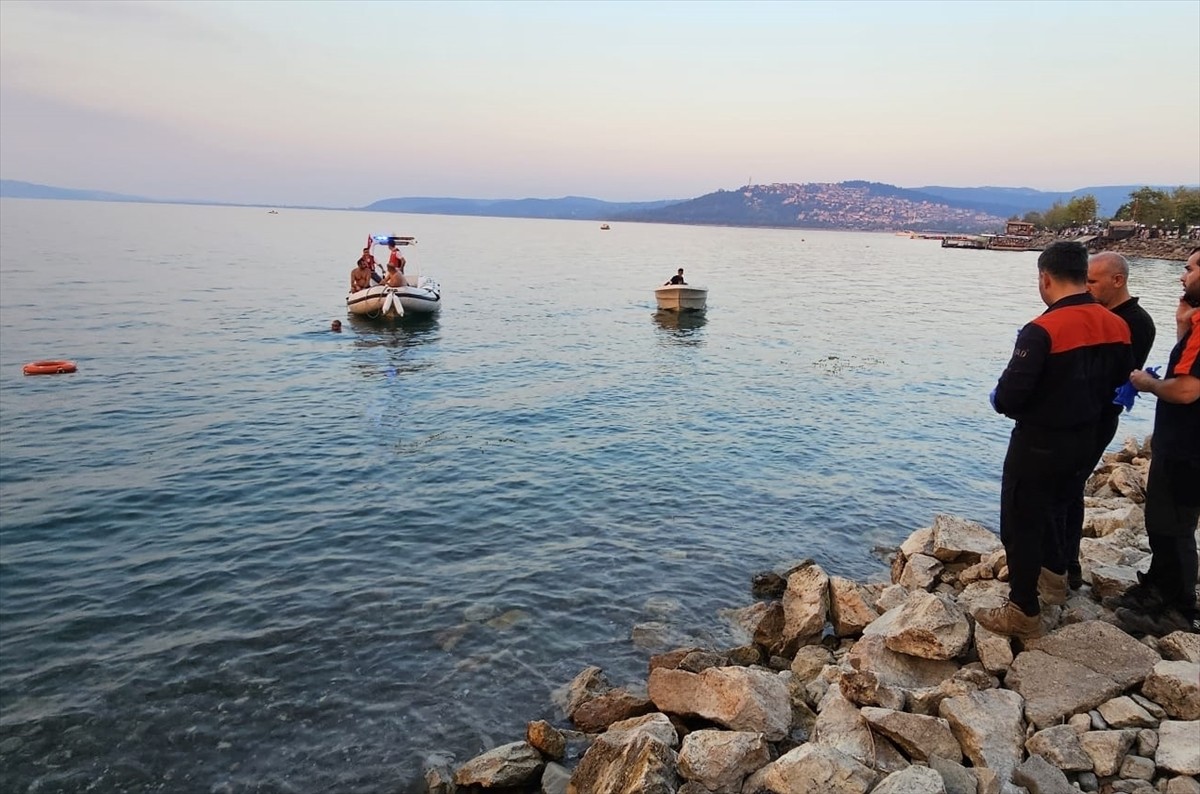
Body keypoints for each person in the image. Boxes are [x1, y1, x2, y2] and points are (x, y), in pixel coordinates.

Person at [975, 241, 1133, 638]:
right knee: (1060, 507)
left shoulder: (1042, 330)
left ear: (1045, 278)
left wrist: (999, 397)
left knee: (1021, 519)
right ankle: (1056, 579)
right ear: (1083, 276)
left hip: (1040, 441)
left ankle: (1023, 610)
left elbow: (1010, 396)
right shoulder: (1118, 325)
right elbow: (1118, 382)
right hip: (1087, 438)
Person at [1111, 247, 1200, 635]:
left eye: (1190, 268)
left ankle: (1177, 607)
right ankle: (1160, 589)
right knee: (1165, 519)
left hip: (1188, 444)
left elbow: (1185, 390)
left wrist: (1145, 382)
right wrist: (1183, 322)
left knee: (1172, 524)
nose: (1183, 276)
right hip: (1183, 441)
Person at [1062, 252, 1158, 588]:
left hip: (1098, 417)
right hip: (1078, 416)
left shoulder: (1136, 322)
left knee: (1069, 488)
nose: (1086, 288)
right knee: (1063, 487)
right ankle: (1060, 562)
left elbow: (1110, 375)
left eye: (1092, 281)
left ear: (1117, 280)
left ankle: (1066, 566)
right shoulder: (1098, 313)